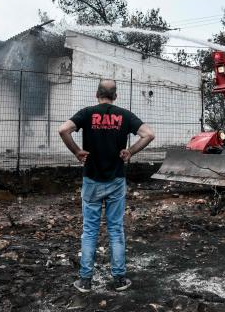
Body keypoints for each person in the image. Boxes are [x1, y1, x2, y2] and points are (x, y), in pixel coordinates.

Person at [58, 79, 155, 293]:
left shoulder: (87, 113)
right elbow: (149, 134)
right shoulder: (124, 115)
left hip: (92, 180)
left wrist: (77, 152)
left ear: (96, 94)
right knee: (115, 230)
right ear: (116, 96)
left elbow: (64, 130)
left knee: (90, 231)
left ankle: (85, 281)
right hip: (116, 180)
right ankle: (119, 279)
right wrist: (131, 151)